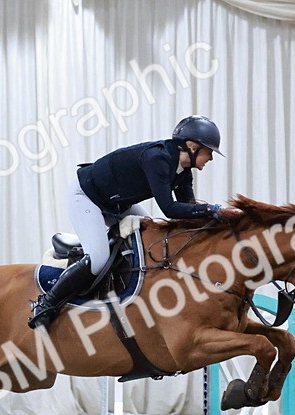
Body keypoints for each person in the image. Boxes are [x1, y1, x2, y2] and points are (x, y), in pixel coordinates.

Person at [29, 115, 226, 329]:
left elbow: (186, 208)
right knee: (98, 258)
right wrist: (210, 209)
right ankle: (46, 304)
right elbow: (169, 209)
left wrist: (211, 221)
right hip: (86, 196)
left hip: (116, 203)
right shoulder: (157, 159)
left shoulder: (183, 170)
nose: (211, 158)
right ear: (192, 147)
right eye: (209, 152)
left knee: (152, 238)